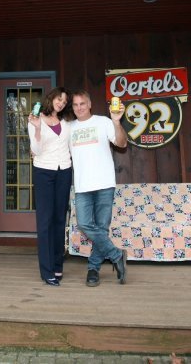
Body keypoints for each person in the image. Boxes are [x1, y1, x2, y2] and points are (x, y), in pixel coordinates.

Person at [69, 90, 128, 287]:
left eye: (82, 104)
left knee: (101, 228)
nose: (79, 108)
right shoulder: (69, 127)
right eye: (75, 105)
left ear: (90, 104)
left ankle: (93, 269)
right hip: (83, 185)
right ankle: (116, 255)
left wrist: (117, 122)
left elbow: (122, 143)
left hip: (104, 184)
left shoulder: (104, 122)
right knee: (85, 224)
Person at [27, 87, 74, 286]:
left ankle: (57, 265)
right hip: (43, 172)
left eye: (64, 101)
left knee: (58, 220)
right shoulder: (35, 119)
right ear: (51, 98)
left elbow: (71, 148)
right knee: (45, 222)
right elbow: (36, 150)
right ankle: (46, 271)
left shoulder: (67, 123)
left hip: (64, 171)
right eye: (59, 99)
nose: (61, 103)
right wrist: (37, 128)